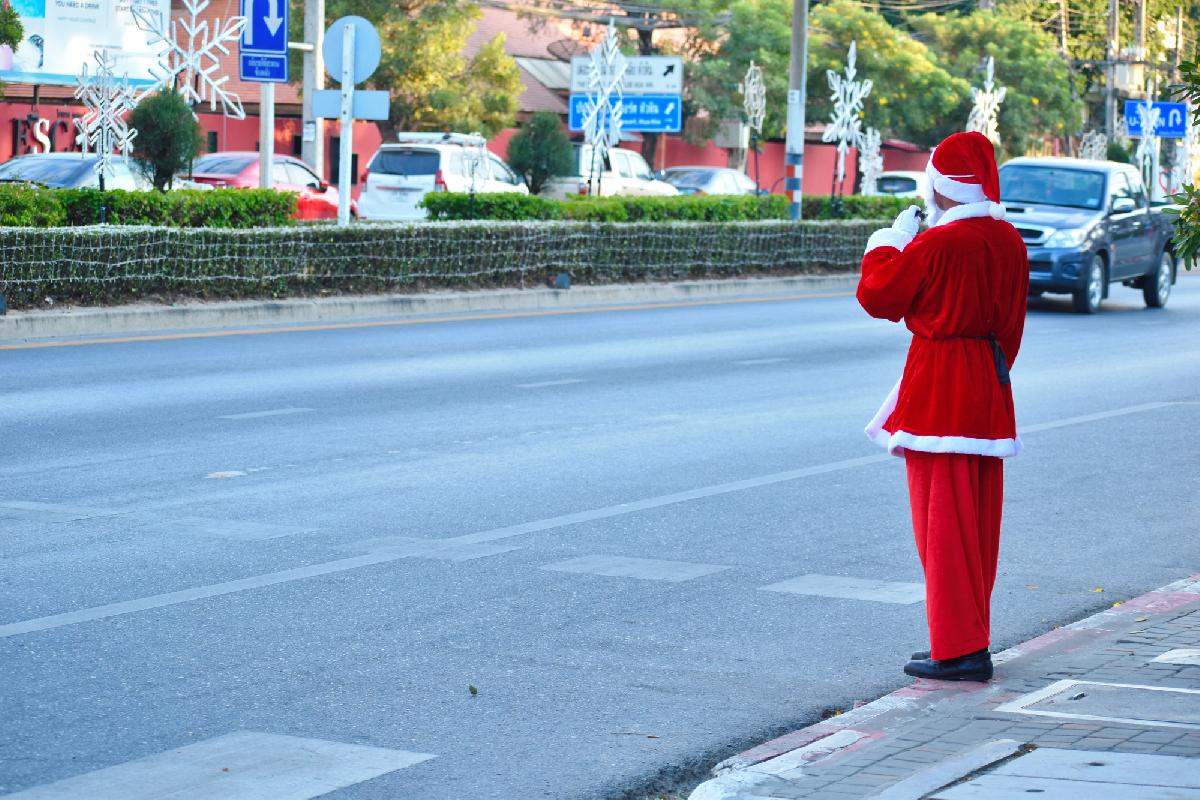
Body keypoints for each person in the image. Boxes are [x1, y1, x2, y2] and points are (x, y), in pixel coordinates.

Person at [856, 131, 1028, 682]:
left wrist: (891, 241)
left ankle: (958, 649)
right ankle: (968, 636)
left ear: (942, 188)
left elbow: (880, 297)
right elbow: (1012, 330)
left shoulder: (938, 243)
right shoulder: (1009, 241)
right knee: (977, 527)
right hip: (989, 383)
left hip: (941, 392)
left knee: (942, 527)